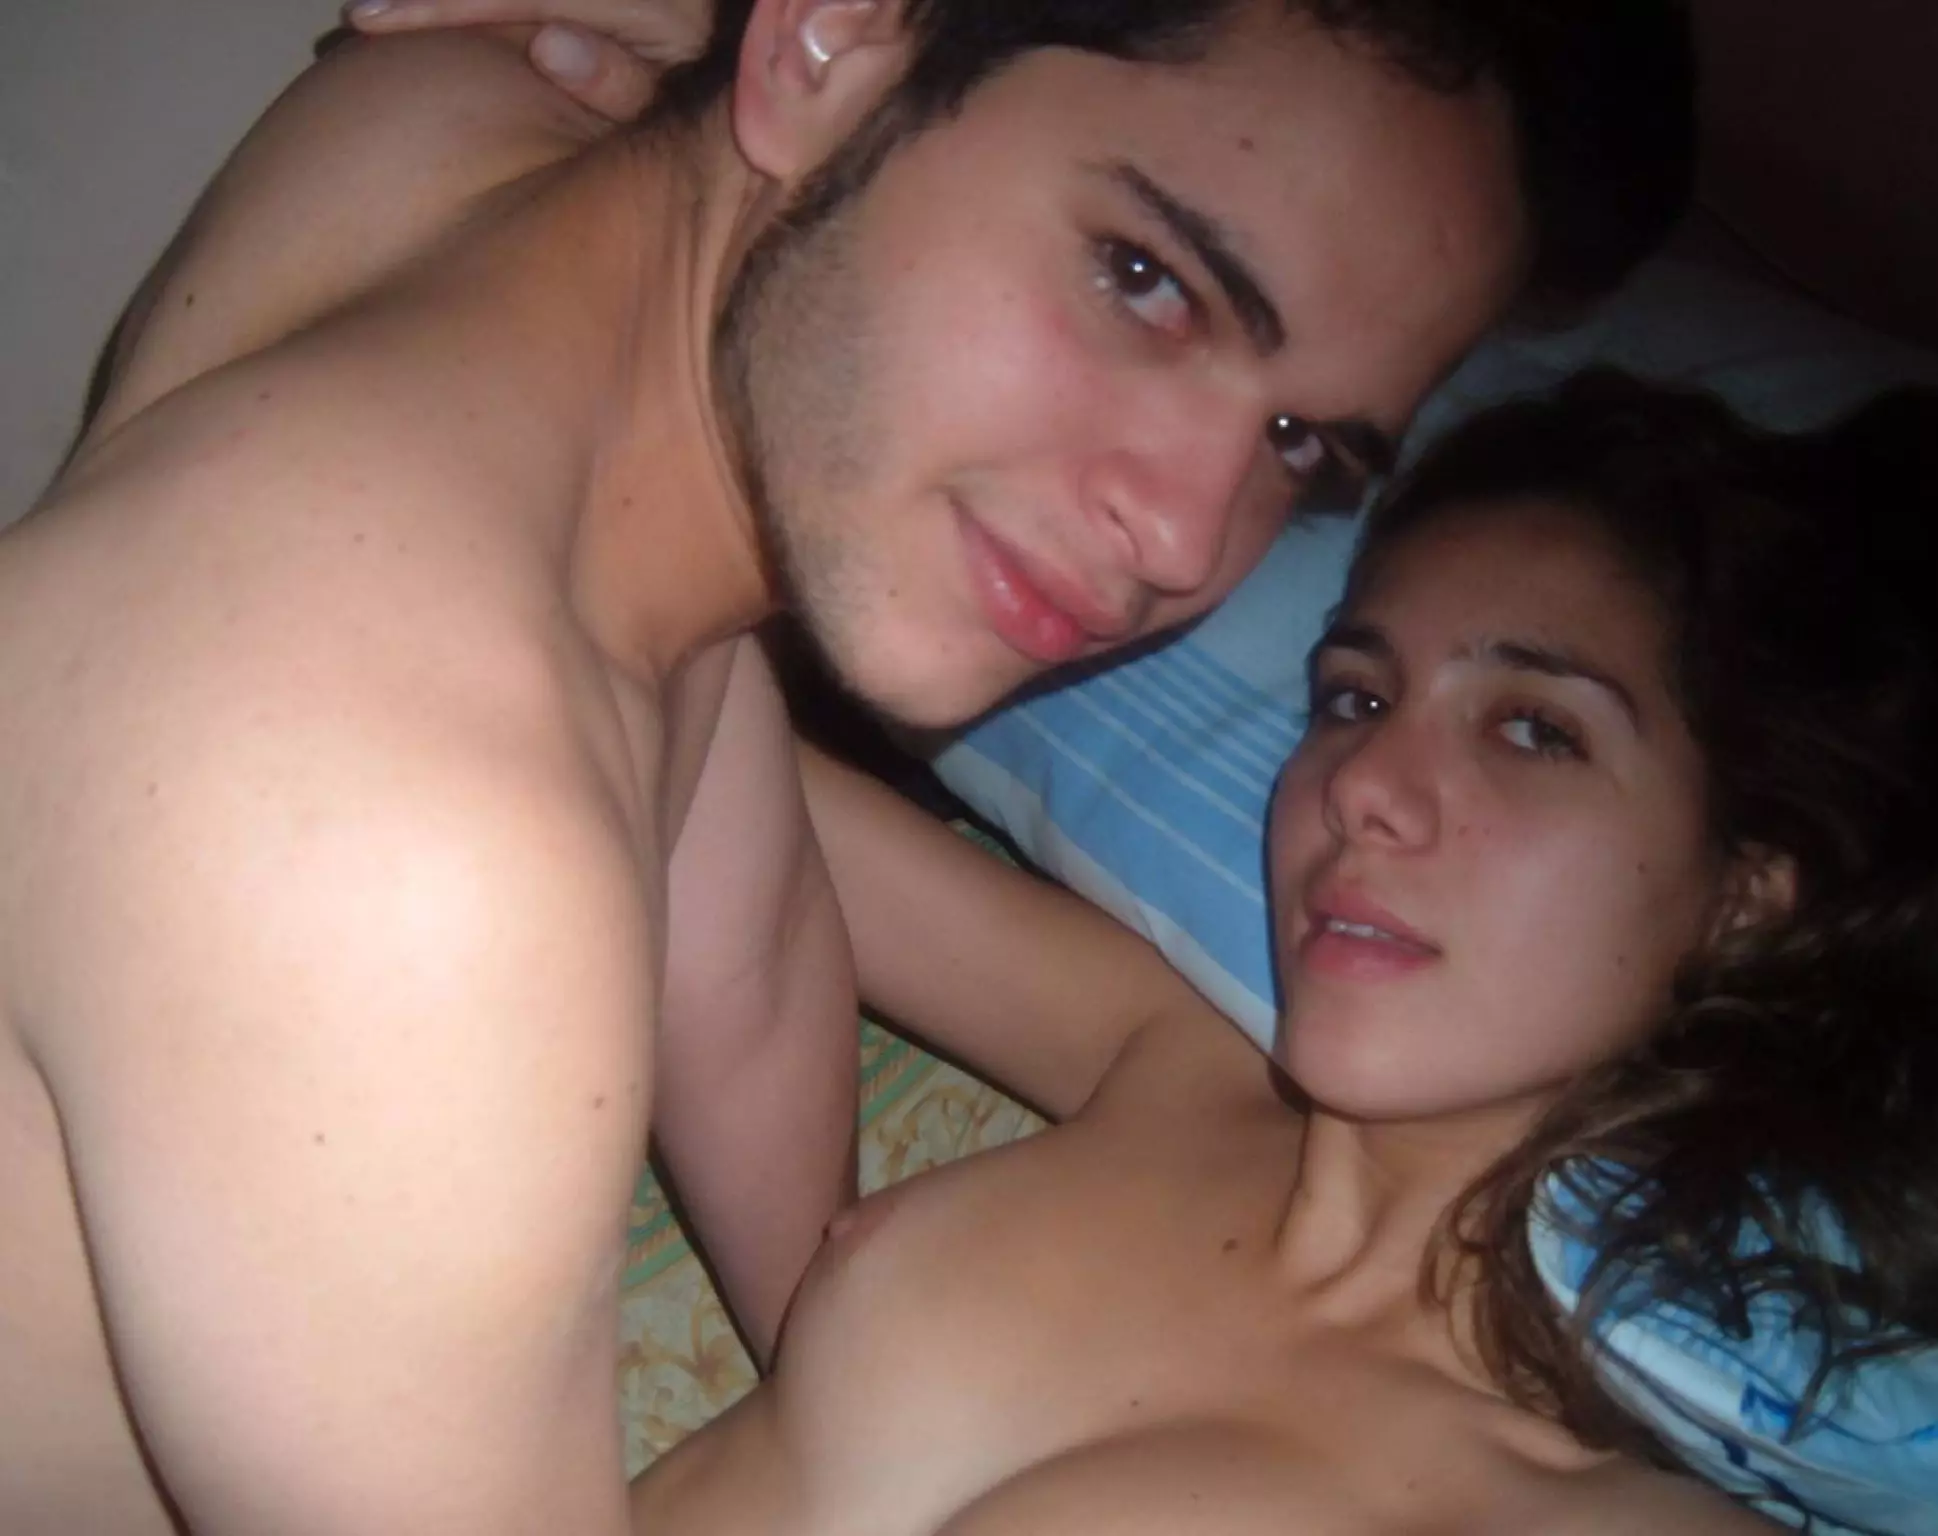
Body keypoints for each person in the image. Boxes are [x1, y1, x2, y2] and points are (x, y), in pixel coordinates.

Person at [0, 4, 1694, 1533]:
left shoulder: (447, 122)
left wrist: (864, 1342)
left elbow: (742, 945)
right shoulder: (408, 855)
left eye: (1296, 443)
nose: (1186, 538)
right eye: (1146, 279)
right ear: (828, 40)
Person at [619, 371, 1938, 1533]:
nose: (1364, 786)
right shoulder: (1177, 1061)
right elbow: (662, 711)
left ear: (1742, 895)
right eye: (1356, 699)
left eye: (1533, 730)